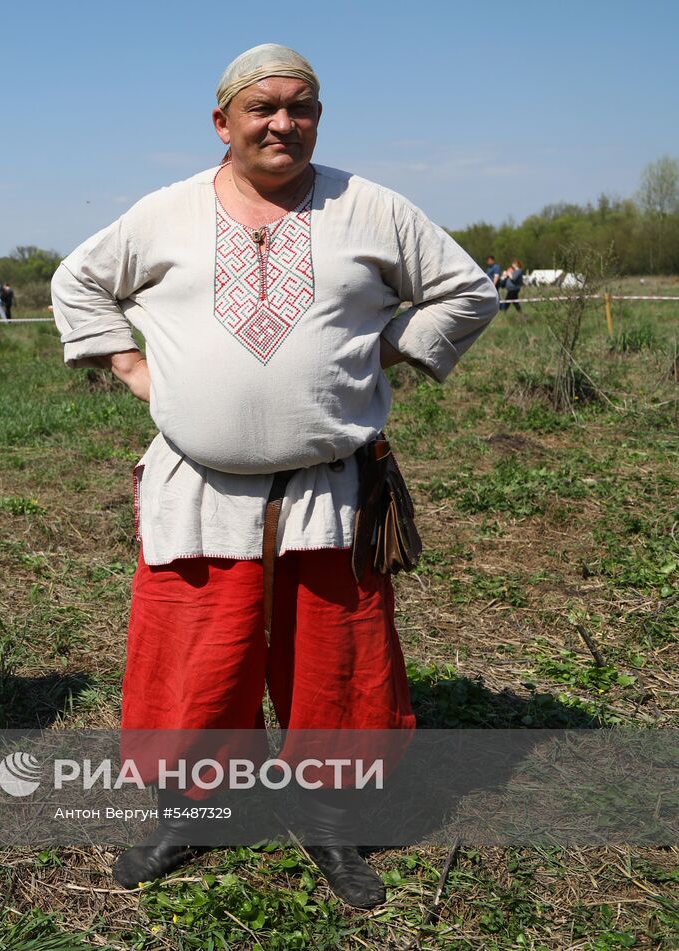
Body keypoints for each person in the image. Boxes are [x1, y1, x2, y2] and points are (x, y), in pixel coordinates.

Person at [51, 44, 497, 908]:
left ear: (317, 120)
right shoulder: (164, 214)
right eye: (263, 108)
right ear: (223, 122)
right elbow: (78, 283)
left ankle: (330, 821)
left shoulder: (370, 206)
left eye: (301, 108)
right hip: (199, 488)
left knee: (336, 662)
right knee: (197, 661)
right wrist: (130, 367)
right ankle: (192, 810)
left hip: (331, 491)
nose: (282, 123)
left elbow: (466, 290)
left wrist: (395, 353)